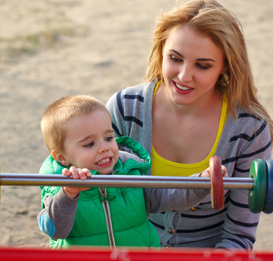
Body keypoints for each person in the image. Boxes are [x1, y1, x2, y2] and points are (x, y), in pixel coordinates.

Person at [106, 0, 273, 250]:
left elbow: (238, 236)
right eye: (175, 58)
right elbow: (102, 205)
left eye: (203, 65)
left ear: (225, 67)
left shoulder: (249, 131)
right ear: (161, 51)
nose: (184, 76)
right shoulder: (125, 108)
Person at [37, 94, 226, 248]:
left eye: (109, 137)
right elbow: (55, 230)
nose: (104, 148)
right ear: (61, 157)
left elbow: (167, 196)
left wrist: (201, 182)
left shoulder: (130, 174)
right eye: (89, 144)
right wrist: (68, 195)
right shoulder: (59, 186)